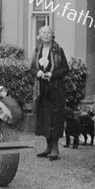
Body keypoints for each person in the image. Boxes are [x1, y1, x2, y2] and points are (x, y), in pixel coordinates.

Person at [30, 25, 69, 161]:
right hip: (41, 89)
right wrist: (38, 72)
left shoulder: (58, 50)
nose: (46, 35)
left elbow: (65, 69)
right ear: (39, 36)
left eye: (48, 32)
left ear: (52, 35)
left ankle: (55, 149)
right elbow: (31, 69)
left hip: (56, 89)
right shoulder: (37, 51)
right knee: (45, 117)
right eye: (43, 32)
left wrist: (52, 74)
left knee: (55, 118)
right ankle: (47, 147)